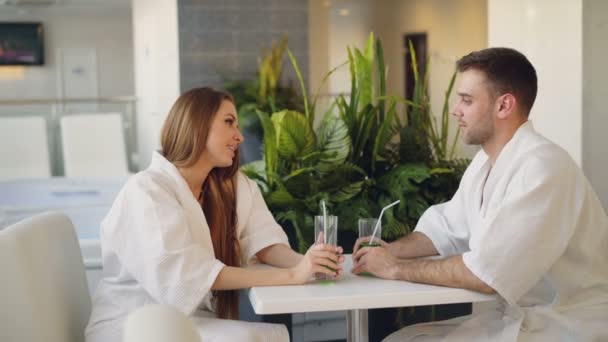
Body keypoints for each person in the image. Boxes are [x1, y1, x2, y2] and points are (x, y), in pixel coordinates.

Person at [352, 47, 608, 341]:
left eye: (467, 100)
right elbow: (447, 228)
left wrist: (396, 268)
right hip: (516, 318)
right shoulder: (486, 162)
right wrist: (387, 251)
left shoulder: (543, 167)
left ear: (504, 106)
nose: (455, 110)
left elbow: (485, 273)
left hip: (566, 323)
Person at [85, 87, 345, 342]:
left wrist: (310, 263)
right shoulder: (147, 191)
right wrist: (292, 276)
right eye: (229, 122)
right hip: (136, 325)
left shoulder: (232, 186)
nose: (240, 136)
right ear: (197, 125)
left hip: (190, 321)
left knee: (256, 337)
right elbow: (187, 276)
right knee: (252, 338)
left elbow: (264, 242)